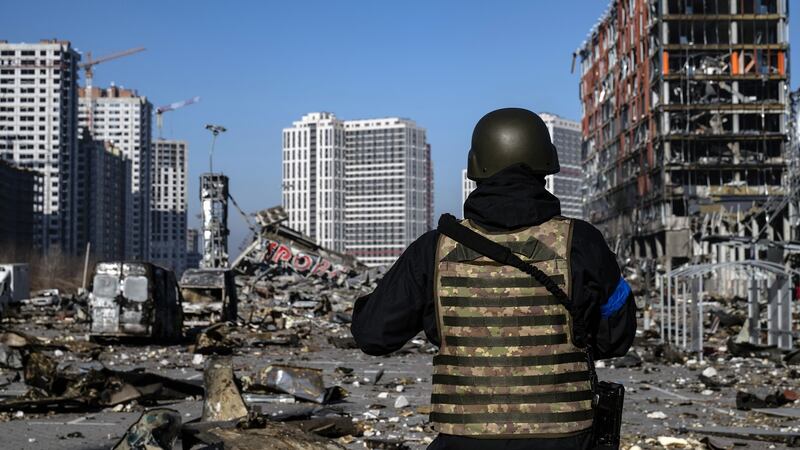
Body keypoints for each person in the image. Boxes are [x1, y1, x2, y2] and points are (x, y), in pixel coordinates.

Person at [351, 108, 637, 450]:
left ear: (476, 166)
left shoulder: (434, 249)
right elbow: (615, 340)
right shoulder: (583, 242)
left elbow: (373, 335)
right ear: (547, 162)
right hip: (565, 436)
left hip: (465, 439)